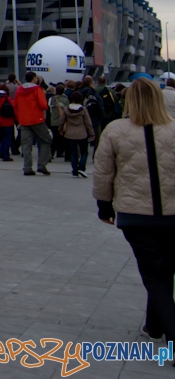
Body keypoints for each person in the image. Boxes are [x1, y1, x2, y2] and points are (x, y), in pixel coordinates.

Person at [94, 78, 175, 344]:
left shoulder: (115, 130)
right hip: (172, 215)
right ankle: (154, 326)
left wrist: (104, 205)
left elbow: (104, 172)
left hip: (136, 216)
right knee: (163, 274)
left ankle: (163, 329)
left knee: (155, 274)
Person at [15, 71, 53, 176]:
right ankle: (41, 164)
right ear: (34, 78)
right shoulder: (37, 89)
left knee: (26, 144)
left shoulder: (19, 90)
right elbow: (43, 105)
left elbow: (16, 104)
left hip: (24, 120)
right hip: (37, 119)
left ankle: (27, 167)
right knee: (46, 140)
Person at [60, 90, 94, 178]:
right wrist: (92, 133)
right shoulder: (83, 109)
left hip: (70, 133)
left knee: (73, 153)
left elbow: (61, 121)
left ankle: (74, 169)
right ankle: (82, 168)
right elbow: (88, 122)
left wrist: (60, 130)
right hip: (82, 133)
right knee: (84, 152)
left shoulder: (66, 109)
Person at [48, 83, 71, 160]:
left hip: (54, 120)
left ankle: (50, 154)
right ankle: (67, 156)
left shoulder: (52, 99)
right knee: (65, 139)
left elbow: (49, 109)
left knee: (55, 138)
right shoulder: (66, 99)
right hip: (63, 121)